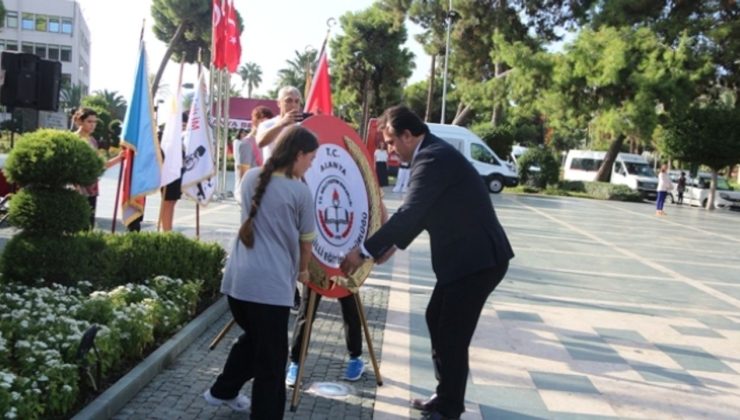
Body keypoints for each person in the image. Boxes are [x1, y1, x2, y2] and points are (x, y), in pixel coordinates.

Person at [340, 105, 514, 420]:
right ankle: (445, 395)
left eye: (391, 142)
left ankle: (449, 409)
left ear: (408, 135)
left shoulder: (432, 157)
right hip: (466, 260)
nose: (390, 151)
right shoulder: (434, 154)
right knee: (437, 319)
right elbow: (427, 211)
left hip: (478, 261)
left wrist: (364, 250)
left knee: (452, 335)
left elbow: (412, 212)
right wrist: (392, 245)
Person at [203, 126, 318, 418]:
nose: (311, 165)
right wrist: (304, 273)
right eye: (310, 158)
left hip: (238, 285)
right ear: (298, 154)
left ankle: (222, 391)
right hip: (270, 291)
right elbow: (306, 245)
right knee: (271, 362)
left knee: (255, 342)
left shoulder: (251, 177)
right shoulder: (300, 191)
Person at [285, 285, 365, 387]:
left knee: (350, 311)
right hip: (316, 271)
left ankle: (355, 358)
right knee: (306, 313)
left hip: (344, 273)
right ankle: (296, 363)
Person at [73, 108, 123, 229]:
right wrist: (76, 186)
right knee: (78, 225)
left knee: (89, 225)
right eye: (89, 121)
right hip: (77, 189)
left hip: (92, 188)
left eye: (95, 122)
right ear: (80, 121)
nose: (93, 125)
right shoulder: (74, 139)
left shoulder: (92, 141)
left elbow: (100, 165)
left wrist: (120, 158)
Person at [234, 106, 274, 204]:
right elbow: (243, 173)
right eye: (263, 122)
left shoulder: (268, 142)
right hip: (250, 194)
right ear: (255, 122)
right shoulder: (246, 143)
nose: (266, 127)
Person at [256, 86, 304, 161]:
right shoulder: (267, 124)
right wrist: (281, 124)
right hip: (272, 171)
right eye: (288, 101)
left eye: (297, 101)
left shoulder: (302, 127)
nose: (293, 105)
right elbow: (260, 142)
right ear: (279, 103)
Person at [160, 112, 188, 231]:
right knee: (167, 201)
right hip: (168, 171)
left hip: (179, 171)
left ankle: (168, 229)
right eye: (181, 125)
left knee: (173, 201)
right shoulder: (166, 136)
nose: (182, 128)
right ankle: (166, 230)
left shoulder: (185, 136)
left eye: (184, 125)